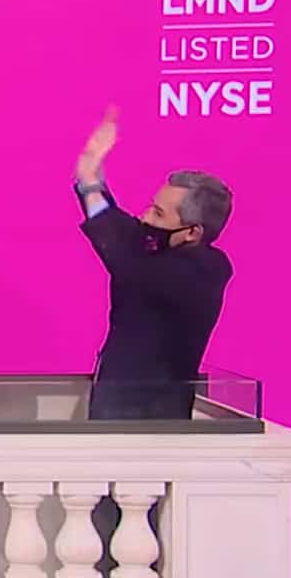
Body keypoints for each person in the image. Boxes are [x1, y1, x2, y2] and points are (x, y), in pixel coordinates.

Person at [74, 106, 234, 420]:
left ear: (192, 232)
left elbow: (128, 260)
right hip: (111, 409)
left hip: (155, 422)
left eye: (158, 213)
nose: (145, 218)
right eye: (151, 207)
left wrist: (91, 185)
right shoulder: (156, 250)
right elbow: (127, 233)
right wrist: (90, 179)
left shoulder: (205, 271)